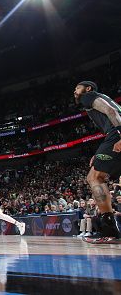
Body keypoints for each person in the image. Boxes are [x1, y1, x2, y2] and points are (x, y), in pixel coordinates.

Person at [74, 81, 121, 244]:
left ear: (88, 89)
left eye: (77, 88)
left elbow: (111, 111)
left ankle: (110, 231)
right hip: (113, 134)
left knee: (94, 177)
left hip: (116, 133)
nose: (75, 91)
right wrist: (98, 153)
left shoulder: (89, 96)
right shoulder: (102, 98)